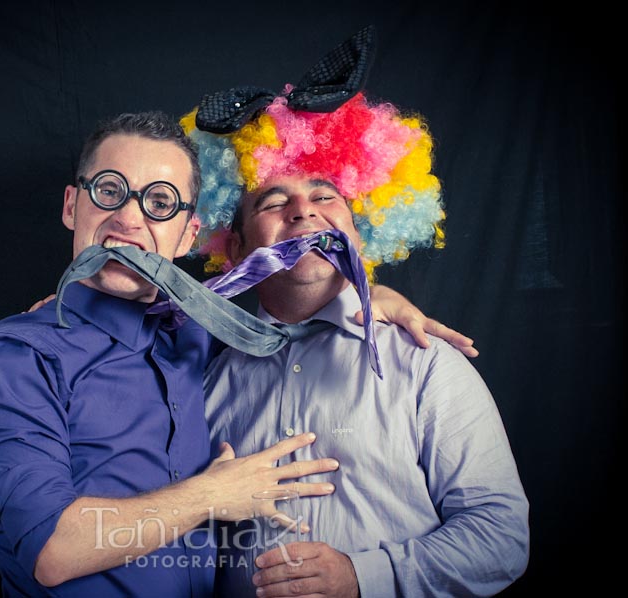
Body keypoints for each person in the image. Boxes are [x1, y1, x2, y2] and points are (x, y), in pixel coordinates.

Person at [0, 110, 477, 596]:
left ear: (187, 233)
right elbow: (52, 550)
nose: (129, 219)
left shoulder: (200, 337)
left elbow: (290, 300)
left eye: (159, 202)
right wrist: (213, 495)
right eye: (110, 191)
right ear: (73, 205)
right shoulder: (14, 357)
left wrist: (369, 297)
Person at [187, 27, 530, 597]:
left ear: (359, 229)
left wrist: (362, 577)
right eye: (273, 201)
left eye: (325, 196)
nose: (303, 212)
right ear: (237, 247)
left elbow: (501, 537)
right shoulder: (200, 375)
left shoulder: (425, 365)